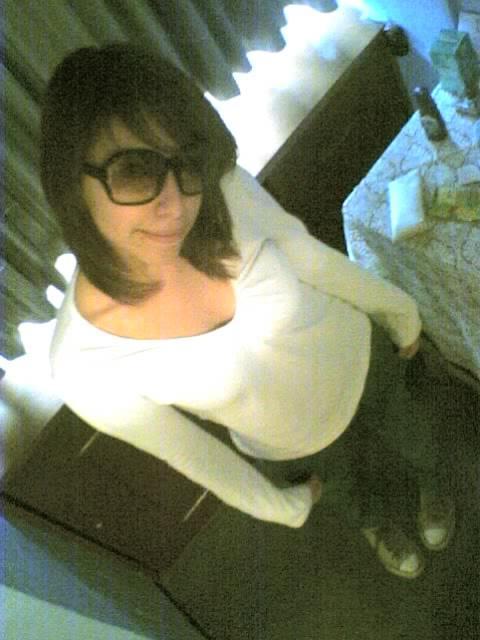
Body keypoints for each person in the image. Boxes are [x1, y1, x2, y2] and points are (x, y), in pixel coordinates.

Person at [41, 43, 454, 580]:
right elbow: (191, 455)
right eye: (136, 170)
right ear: (70, 184)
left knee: (415, 436)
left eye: (186, 164)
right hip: (290, 444)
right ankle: (378, 525)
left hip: (360, 358)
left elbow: (312, 259)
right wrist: (283, 507)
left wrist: (400, 314)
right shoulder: (85, 366)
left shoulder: (223, 194)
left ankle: (435, 486)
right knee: (350, 496)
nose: (175, 204)